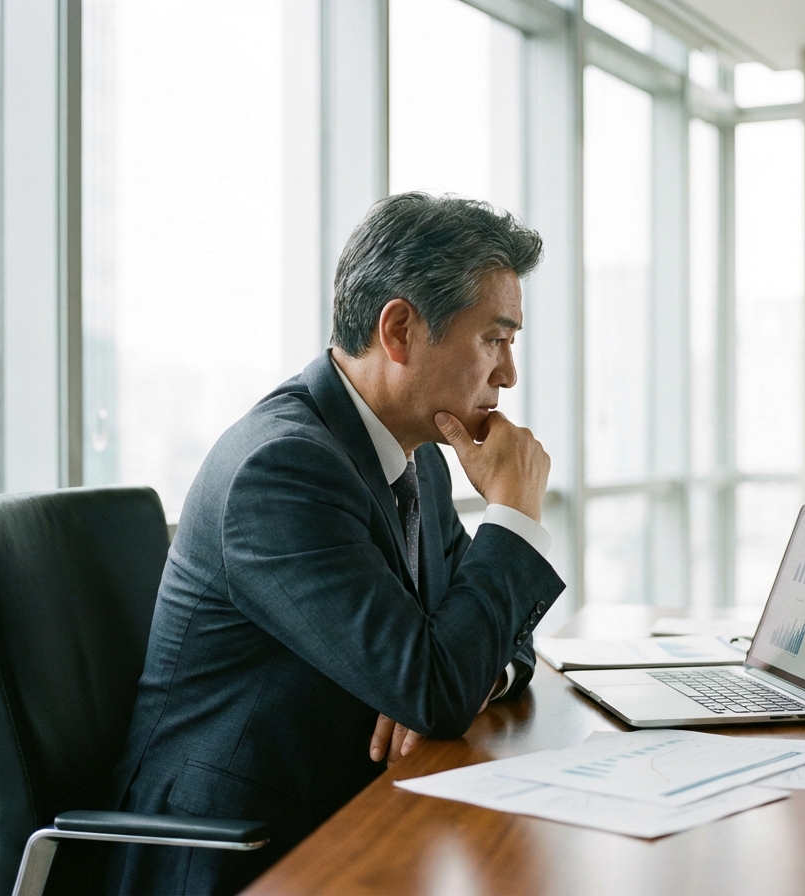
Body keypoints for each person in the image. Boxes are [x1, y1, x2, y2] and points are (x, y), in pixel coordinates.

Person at [103, 193, 566, 894]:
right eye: (494, 339)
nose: (509, 374)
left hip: (345, 807)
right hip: (233, 852)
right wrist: (514, 514)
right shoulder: (281, 470)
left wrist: (465, 677)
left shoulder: (423, 463)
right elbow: (438, 681)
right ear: (402, 329)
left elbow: (484, 646)